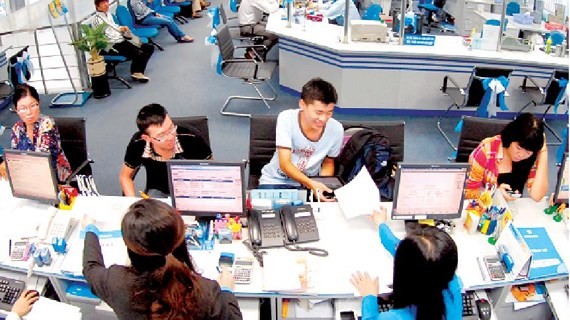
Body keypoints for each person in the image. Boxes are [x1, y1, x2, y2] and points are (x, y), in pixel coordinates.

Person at [83, 199, 243, 319]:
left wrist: (90, 230)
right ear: (180, 239)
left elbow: (90, 268)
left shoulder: (114, 281)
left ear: (130, 245)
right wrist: (227, 291)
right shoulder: (205, 291)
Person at [350, 207, 462, 320]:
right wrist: (381, 225)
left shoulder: (398, 317)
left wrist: (369, 297)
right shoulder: (452, 286)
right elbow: (402, 249)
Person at [258, 78, 344, 201]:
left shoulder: (336, 129)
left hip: (309, 185)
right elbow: (285, 163)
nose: (323, 118)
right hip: (276, 181)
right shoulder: (287, 118)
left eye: (329, 112)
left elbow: (328, 162)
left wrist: (323, 185)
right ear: (302, 105)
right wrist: (311, 184)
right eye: (318, 112)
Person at [119, 104, 212, 197]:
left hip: (191, 187)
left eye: (171, 128)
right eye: (162, 135)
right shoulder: (138, 144)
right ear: (147, 138)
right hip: (158, 189)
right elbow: (125, 176)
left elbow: (211, 167)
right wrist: (131, 200)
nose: (170, 137)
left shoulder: (190, 137)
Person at [465, 113, 548, 202]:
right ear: (511, 138)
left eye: (528, 152)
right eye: (518, 148)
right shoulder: (486, 151)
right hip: (482, 207)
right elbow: (469, 192)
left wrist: (543, 151)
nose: (521, 155)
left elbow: (537, 195)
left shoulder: (532, 153)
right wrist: (495, 194)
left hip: (511, 208)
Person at [0, 84, 72, 183]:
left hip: (55, 178)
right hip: (28, 176)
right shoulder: (17, 128)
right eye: (23, 108)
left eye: (33, 105)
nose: (29, 112)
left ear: (39, 103)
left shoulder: (47, 124)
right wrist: (6, 162)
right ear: (16, 110)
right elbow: (15, 155)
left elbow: (43, 160)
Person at [92, 0, 155, 83]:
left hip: (121, 39)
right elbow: (107, 37)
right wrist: (123, 36)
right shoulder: (97, 20)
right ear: (97, 6)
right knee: (138, 52)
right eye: (103, 3)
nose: (106, 4)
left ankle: (136, 72)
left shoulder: (108, 15)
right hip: (111, 45)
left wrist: (121, 28)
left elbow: (114, 27)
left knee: (149, 47)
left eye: (107, 2)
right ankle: (137, 72)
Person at [130, 0, 195, 43]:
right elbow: (141, 12)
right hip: (144, 19)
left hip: (150, 15)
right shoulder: (134, 1)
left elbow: (147, 9)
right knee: (168, 22)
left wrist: (155, 13)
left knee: (169, 18)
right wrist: (148, 2)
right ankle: (181, 36)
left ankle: (180, 36)